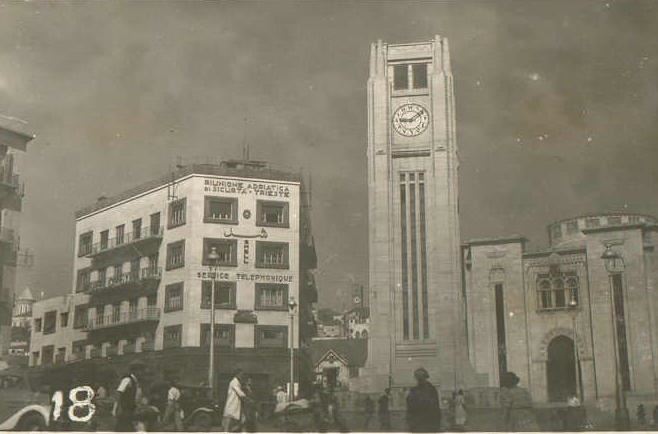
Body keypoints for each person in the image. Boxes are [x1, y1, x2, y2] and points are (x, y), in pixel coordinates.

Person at [113, 361, 146, 432]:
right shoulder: (127, 380)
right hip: (125, 410)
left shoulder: (137, 382)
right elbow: (119, 392)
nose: (143, 372)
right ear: (134, 371)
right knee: (123, 428)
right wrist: (117, 407)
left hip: (132, 410)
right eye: (141, 370)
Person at [406, 367, 442, 432]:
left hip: (428, 424)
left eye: (421, 378)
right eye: (418, 378)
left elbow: (435, 407)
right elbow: (410, 407)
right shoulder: (414, 390)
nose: (419, 380)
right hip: (417, 424)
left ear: (425, 377)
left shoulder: (431, 389)